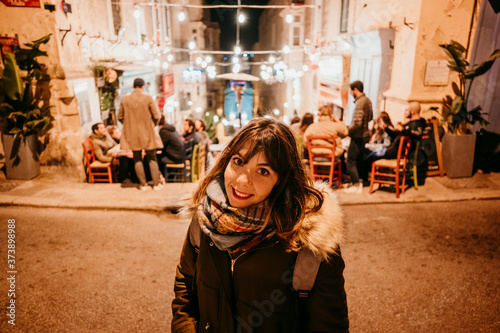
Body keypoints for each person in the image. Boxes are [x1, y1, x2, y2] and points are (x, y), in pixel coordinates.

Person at [172, 118, 349, 332]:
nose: (241, 181)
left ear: (282, 180)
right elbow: (185, 290)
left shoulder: (310, 244)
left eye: (263, 171)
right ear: (226, 160)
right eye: (238, 161)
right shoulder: (205, 217)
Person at [118, 78, 163, 191]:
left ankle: (143, 185)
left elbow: (120, 117)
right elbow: (157, 116)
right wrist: (152, 125)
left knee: (137, 158)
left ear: (133, 87)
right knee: (152, 158)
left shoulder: (125, 99)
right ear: (143, 86)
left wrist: (128, 125)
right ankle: (156, 184)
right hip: (147, 132)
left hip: (132, 133)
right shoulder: (148, 99)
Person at [345, 80, 373, 194]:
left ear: (355, 90)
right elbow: (371, 117)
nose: (351, 93)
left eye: (351, 91)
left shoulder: (360, 102)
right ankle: (361, 181)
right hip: (365, 135)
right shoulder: (368, 101)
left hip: (358, 136)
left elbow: (357, 123)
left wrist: (348, 131)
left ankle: (356, 185)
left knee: (350, 160)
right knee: (360, 160)